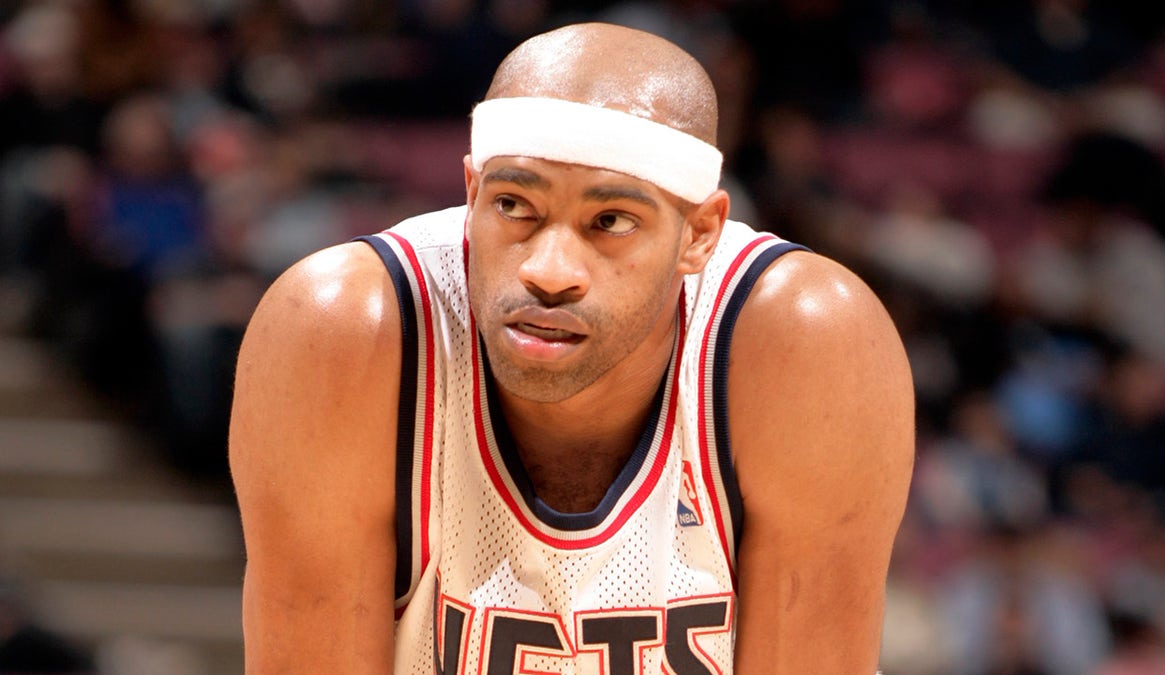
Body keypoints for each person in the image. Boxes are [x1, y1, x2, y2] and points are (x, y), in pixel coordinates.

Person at [229, 22, 914, 674]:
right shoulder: (344, 331)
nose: (549, 269)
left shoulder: (804, 341)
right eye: (514, 206)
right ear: (471, 192)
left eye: (610, 221)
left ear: (699, 234)